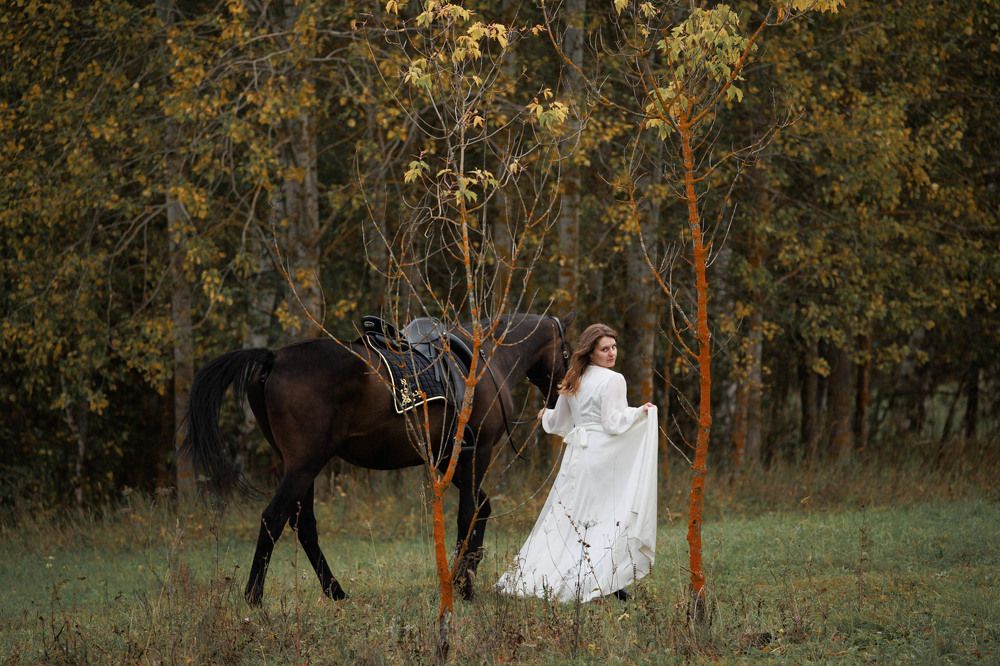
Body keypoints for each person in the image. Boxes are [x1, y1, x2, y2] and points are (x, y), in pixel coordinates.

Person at [496, 323, 658, 603]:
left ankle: (564, 576)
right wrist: (640, 414)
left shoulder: (573, 377)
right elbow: (613, 423)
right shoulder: (613, 379)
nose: (611, 354)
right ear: (591, 352)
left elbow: (559, 422)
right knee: (605, 516)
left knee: (570, 519)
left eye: (614, 347)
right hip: (603, 456)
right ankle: (598, 580)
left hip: (577, 458)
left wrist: (543, 415)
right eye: (604, 349)